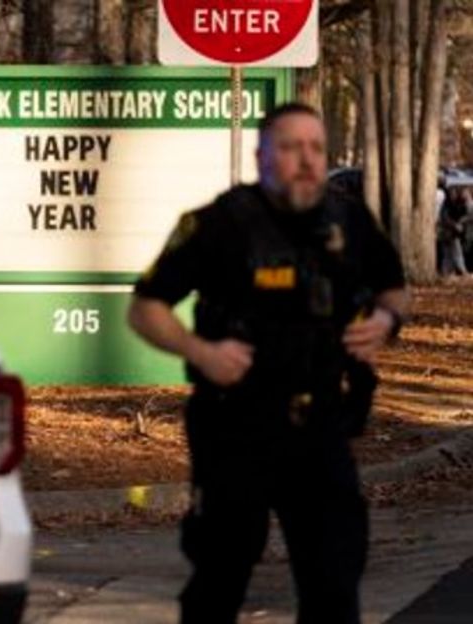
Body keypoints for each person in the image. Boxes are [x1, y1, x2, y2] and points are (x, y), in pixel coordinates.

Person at [127, 102, 409, 624]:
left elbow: (395, 287)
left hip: (322, 423)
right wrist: (201, 352)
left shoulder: (348, 220)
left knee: (334, 580)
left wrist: (386, 320)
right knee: (220, 577)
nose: (306, 160)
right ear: (261, 156)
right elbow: (144, 308)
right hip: (235, 425)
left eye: (316, 148)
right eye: (290, 147)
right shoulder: (218, 224)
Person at [437, 185, 469, 276]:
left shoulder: (458, 204)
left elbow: (464, 214)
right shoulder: (447, 205)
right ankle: (460, 270)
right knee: (455, 252)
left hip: (452, 232)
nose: (453, 195)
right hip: (448, 232)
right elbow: (445, 218)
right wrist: (455, 225)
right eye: (452, 193)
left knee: (449, 253)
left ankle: (447, 271)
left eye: (454, 193)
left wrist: (460, 223)